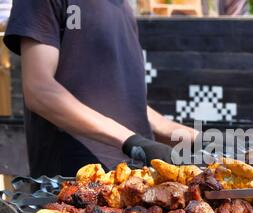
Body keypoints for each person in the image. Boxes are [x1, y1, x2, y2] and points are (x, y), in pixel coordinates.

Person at [3, 0, 198, 177]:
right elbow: (39, 90)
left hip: (135, 179)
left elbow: (127, 104)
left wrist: (195, 139)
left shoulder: (123, 8)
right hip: (74, 186)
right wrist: (133, 142)